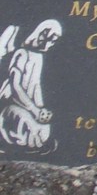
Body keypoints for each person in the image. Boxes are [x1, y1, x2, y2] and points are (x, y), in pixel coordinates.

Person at [0, 19, 62, 149]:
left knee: (44, 130)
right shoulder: (21, 54)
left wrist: (40, 109)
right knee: (28, 126)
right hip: (14, 104)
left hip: (31, 107)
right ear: (42, 35)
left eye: (54, 41)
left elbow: (36, 86)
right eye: (51, 40)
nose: (51, 44)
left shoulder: (39, 56)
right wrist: (33, 109)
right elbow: (15, 86)